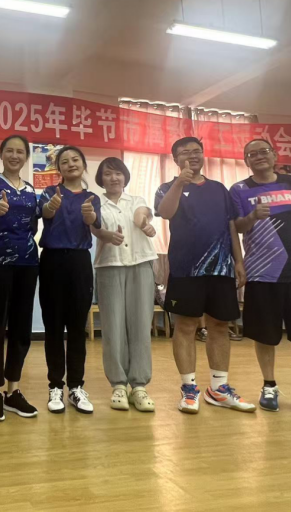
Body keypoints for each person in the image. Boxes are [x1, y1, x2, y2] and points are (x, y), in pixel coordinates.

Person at [155, 137, 255, 414]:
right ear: (175, 159)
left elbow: (231, 226)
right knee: (186, 326)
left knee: (220, 325)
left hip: (221, 269)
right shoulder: (166, 187)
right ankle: (189, 388)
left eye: (197, 151)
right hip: (185, 269)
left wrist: (238, 260)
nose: (192, 155)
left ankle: (219, 389)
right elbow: (165, 212)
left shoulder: (219, 189)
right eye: (185, 152)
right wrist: (179, 183)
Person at [231, 139, 291, 417]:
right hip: (262, 273)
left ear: (274, 155)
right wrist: (252, 217)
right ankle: (269, 385)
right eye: (252, 154)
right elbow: (237, 227)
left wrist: (287, 246)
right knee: (264, 334)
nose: (259, 157)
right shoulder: (239, 189)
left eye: (264, 151)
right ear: (246, 161)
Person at [0, 135, 39, 422]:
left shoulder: (31, 189)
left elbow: (34, 225)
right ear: (1, 154)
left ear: (26, 157)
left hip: (28, 263)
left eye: (20, 152)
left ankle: (13, 390)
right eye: (9, 151)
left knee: (21, 327)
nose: (14, 155)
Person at [37, 146, 101, 414]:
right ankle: (55, 386)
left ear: (83, 164)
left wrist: (90, 216)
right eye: (65, 161)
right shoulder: (50, 192)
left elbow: (95, 224)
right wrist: (51, 207)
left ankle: (75, 386)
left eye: (76, 159)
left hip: (79, 262)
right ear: (59, 168)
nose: (71, 164)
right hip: (52, 261)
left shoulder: (91, 197)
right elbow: (45, 213)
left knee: (76, 327)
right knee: (53, 327)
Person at [91, 157, 157, 412]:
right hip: (109, 266)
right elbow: (94, 226)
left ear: (125, 177)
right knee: (113, 326)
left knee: (140, 325)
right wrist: (105, 234)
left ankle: (139, 386)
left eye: (118, 173)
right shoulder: (96, 202)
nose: (113, 178)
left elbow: (143, 213)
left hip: (141, 264)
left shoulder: (136, 200)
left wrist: (144, 223)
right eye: (108, 174)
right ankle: (118, 384)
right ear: (101, 179)